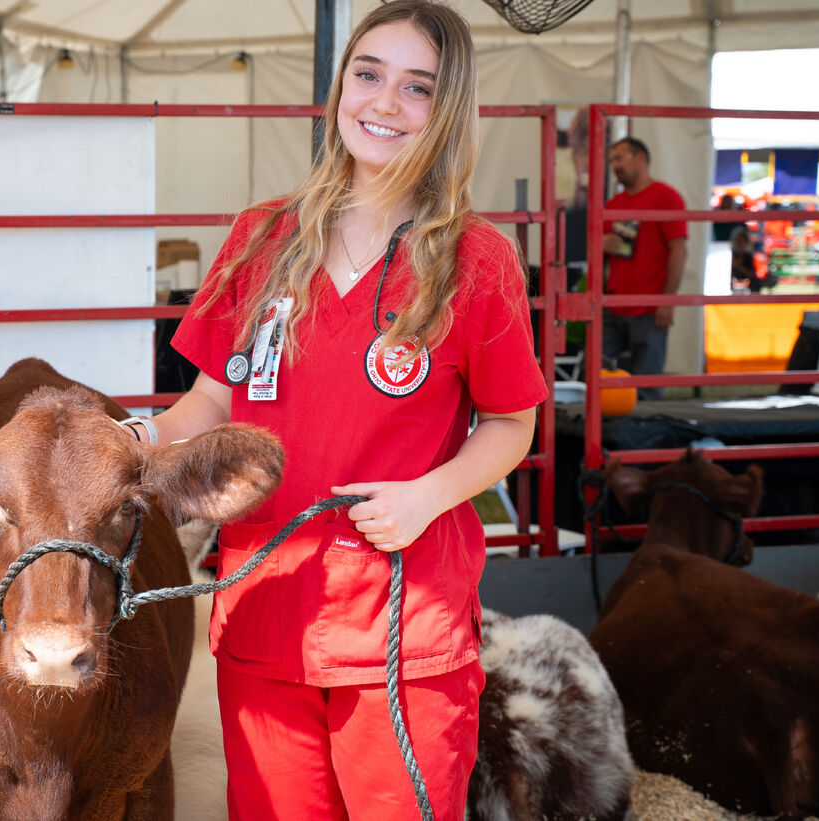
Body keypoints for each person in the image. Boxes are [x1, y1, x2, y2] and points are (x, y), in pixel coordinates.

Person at [120, 2, 546, 818]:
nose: (384, 103)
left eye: (416, 88)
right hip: (266, 610)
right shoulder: (260, 238)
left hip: (401, 626)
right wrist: (137, 438)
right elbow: (211, 399)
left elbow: (511, 423)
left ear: (447, 110)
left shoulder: (476, 261)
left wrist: (427, 496)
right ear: (340, 86)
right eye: (368, 75)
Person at [601, 137, 688, 399]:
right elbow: (597, 258)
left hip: (649, 308)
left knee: (646, 387)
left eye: (620, 158)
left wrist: (666, 301)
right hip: (613, 305)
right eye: (612, 160)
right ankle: (602, 435)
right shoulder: (613, 204)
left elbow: (679, 251)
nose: (615, 165)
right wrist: (600, 244)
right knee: (597, 378)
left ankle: (644, 437)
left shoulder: (666, 197)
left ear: (641, 159)